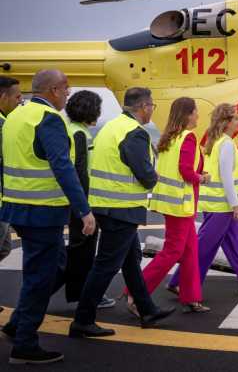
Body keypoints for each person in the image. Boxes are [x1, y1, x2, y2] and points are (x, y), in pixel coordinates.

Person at [0, 69, 95, 365]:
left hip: (18, 206)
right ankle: (25, 344)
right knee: (40, 277)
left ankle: (18, 323)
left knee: (52, 266)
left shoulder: (16, 116)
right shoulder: (49, 119)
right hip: (43, 211)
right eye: (66, 88)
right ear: (54, 90)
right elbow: (62, 165)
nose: (68, 94)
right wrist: (83, 210)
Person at [70, 87, 175, 339]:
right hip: (122, 209)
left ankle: (147, 310)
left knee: (130, 260)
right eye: (151, 107)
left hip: (105, 204)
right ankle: (82, 320)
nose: (151, 111)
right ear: (144, 107)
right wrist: (153, 176)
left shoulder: (111, 127)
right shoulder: (134, 133)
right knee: (105, 266)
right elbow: (145, 174)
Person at [167, 103, 238, 297]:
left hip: (220, 206)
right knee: (205, 247)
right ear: (227, 122)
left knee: (236, 243)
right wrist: (236, 205)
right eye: (236, 118)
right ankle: (180, 282)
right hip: (222, 207)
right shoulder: (226, 144)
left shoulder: (216, 142)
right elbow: (226, 178)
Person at [134, 97, 209, 313]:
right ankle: (136, 292)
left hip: (170, 202)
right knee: (173, 251)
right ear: (188, 115)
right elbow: (186, 172)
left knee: (190, 250)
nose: (198, 115)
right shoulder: (188, 137)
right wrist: (202, 178)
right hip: (180, 204)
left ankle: (191, 297)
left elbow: (177, 169)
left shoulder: (170, 138)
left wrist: (196, 173)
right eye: (195, 112)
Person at [64, 90, 116, 309]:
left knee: (80, 247)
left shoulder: (72, 129)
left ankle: (78, 292)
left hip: (74, 200)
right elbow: (80, 171)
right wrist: (86, 207)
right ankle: (82, 294)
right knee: (83, 249)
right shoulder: (80, 135)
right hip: (82, 201)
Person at [0, 76, 23, 268]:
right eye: (17, 97)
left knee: (5, 248)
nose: (20, 102)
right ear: (3, 97)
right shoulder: (3, 125)